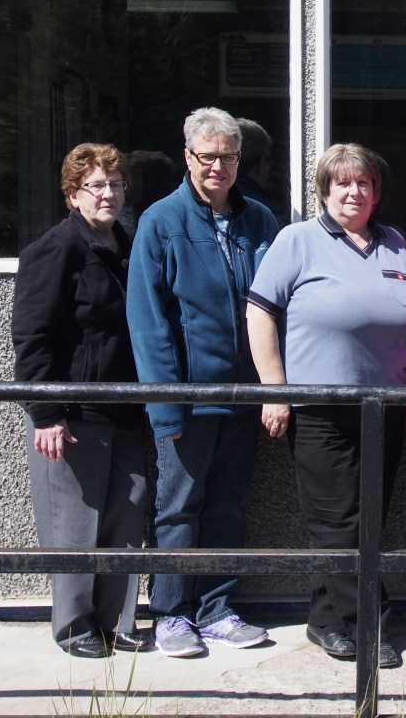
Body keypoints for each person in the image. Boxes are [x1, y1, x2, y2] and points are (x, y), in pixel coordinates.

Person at [247, 143, 406, 669]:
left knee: (368, 517)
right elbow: (260, 313)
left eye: (364, 183)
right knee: (337, 520)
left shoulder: (393, 243)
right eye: (342, 183)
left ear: (376, 191)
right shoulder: (296, 240)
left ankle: (327, 619)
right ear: (325, 190)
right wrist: (275, 390)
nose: (354, 192)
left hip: (385, 406)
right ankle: (371, 625)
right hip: (319, 406)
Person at [126, 106, 279, 658]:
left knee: (228, 506)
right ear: (188, 157)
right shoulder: (160, 222)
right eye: (208, 156)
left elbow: (276, 303)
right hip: (189, 400)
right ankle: (171, 613)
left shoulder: (259, 220)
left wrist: (272, 388)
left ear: (241, 160)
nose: (218, 166)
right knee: (178, 507)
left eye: (229, 156)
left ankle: (216, 609)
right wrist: (166, 404)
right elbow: (148, 322)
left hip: (244, 397)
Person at [11, 143, 151, 659]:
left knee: (126, 514)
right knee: (74, 523)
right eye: (96, 185)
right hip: (71, 414)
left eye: (115, 184)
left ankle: (118, 619)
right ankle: (74, 625)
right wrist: (45, 412)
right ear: (73, 195)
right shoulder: (57, 248)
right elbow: (31, 336)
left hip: (124, 409)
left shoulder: (126, 244)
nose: (109, 194)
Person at [235, 118, 289, 226]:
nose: (270, 168)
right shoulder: (271, 213)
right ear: (261, 161)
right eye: (268, 160)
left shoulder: (208, 203)